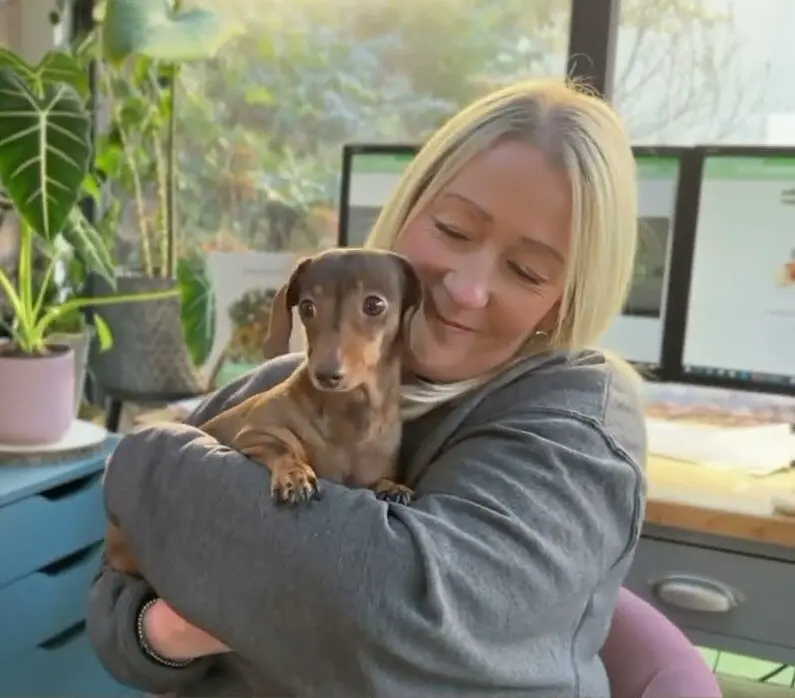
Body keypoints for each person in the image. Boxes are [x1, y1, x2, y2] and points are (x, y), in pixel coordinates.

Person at [87, 77, 647, 698]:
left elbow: (400, 618)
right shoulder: (283, 387)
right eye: (454, 230)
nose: (466, 288)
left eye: (526, 270)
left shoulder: (576, 426)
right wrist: (164, 631)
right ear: (405, 212)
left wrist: (151, 462)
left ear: (562, 301)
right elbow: (114, 595)